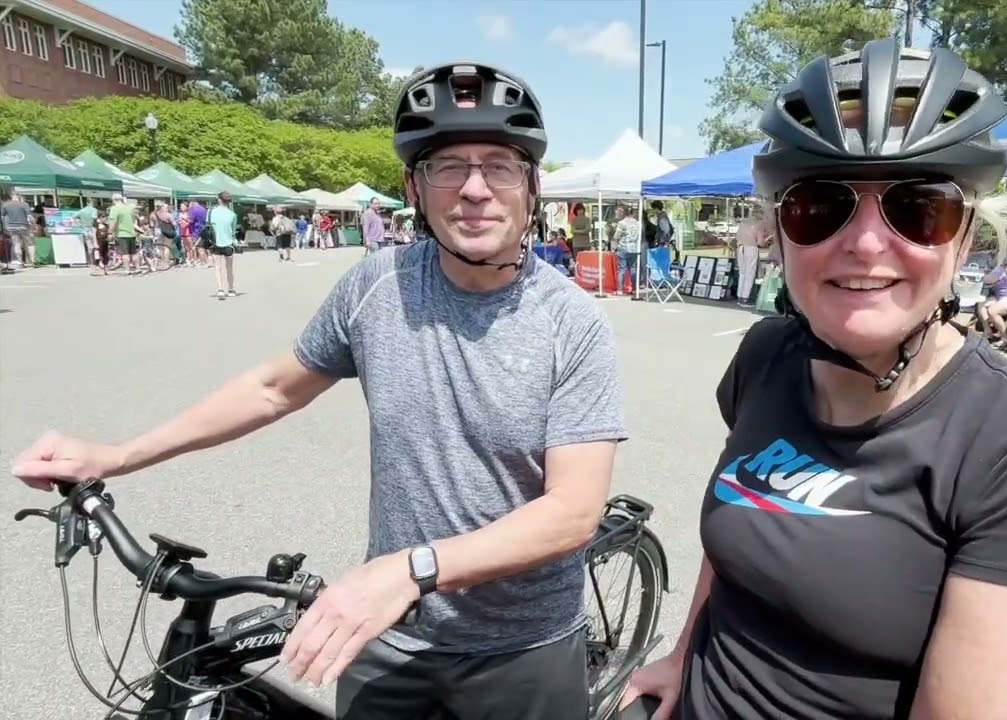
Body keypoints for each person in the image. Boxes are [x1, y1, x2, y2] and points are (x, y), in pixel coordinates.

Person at [10, 61, 624, 720]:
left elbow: (572, 512)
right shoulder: (376, 288)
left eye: (499, 166)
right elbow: (276, 388)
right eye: (448, 166)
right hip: (389, 635)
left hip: (521, 649)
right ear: (412, 188)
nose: (475, 189)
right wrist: (115, 455)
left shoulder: (573, 324)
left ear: (532, 187)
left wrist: (411, 568)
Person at [622, 39, 1007, 720]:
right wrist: (684, 653)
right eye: (818, 206)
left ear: (967, 235)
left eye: (919, 208)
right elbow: (744, 532)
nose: (865, 243)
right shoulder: (767, 354)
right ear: (776, 229)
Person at [976, 259, 1007, 346]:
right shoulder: (1001, 270)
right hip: (1002, 297)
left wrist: (979, 275)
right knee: (981, 304)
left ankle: (1005, 338)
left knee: (992, 311)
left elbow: (989, 280)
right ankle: (988, 332)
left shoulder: (1003, 270)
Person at [208, 191, 239, 298]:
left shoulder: (211, 212)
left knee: (217, 267)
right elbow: (233, 232)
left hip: (215, 242)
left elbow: (208, 225)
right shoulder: (233, 215)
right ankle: (231, 289)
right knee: (229, 268)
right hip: (229, 243)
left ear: (219, 199)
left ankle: (220, 289)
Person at [734, 205, 765, 307]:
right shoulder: (758, 224)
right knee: (749, 274)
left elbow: (737, 236)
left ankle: (739, 296)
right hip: (751, 248)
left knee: (742, 273)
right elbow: (760, 242)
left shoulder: (743, 223)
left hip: (740, 248)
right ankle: (745, 299)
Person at [106, 193, 138, 275]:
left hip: (122, 233)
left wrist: (110, 232)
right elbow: (134, 220)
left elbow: (113, 222)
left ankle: (127, 269)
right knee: (134, 253)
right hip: (131, 233)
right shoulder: (128, 208)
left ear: (114, 200)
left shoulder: (114, 209)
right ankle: (138, 268)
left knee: (125, 253)